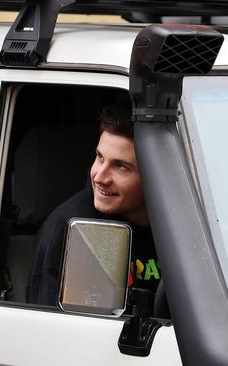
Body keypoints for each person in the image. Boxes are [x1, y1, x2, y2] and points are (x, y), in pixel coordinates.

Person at [26, 97, 160, 306]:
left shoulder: (181, 224)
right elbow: (49, 329)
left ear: (155, 176)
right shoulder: (70, 227)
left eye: (120, 166)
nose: (99, 176)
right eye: (99, 157)